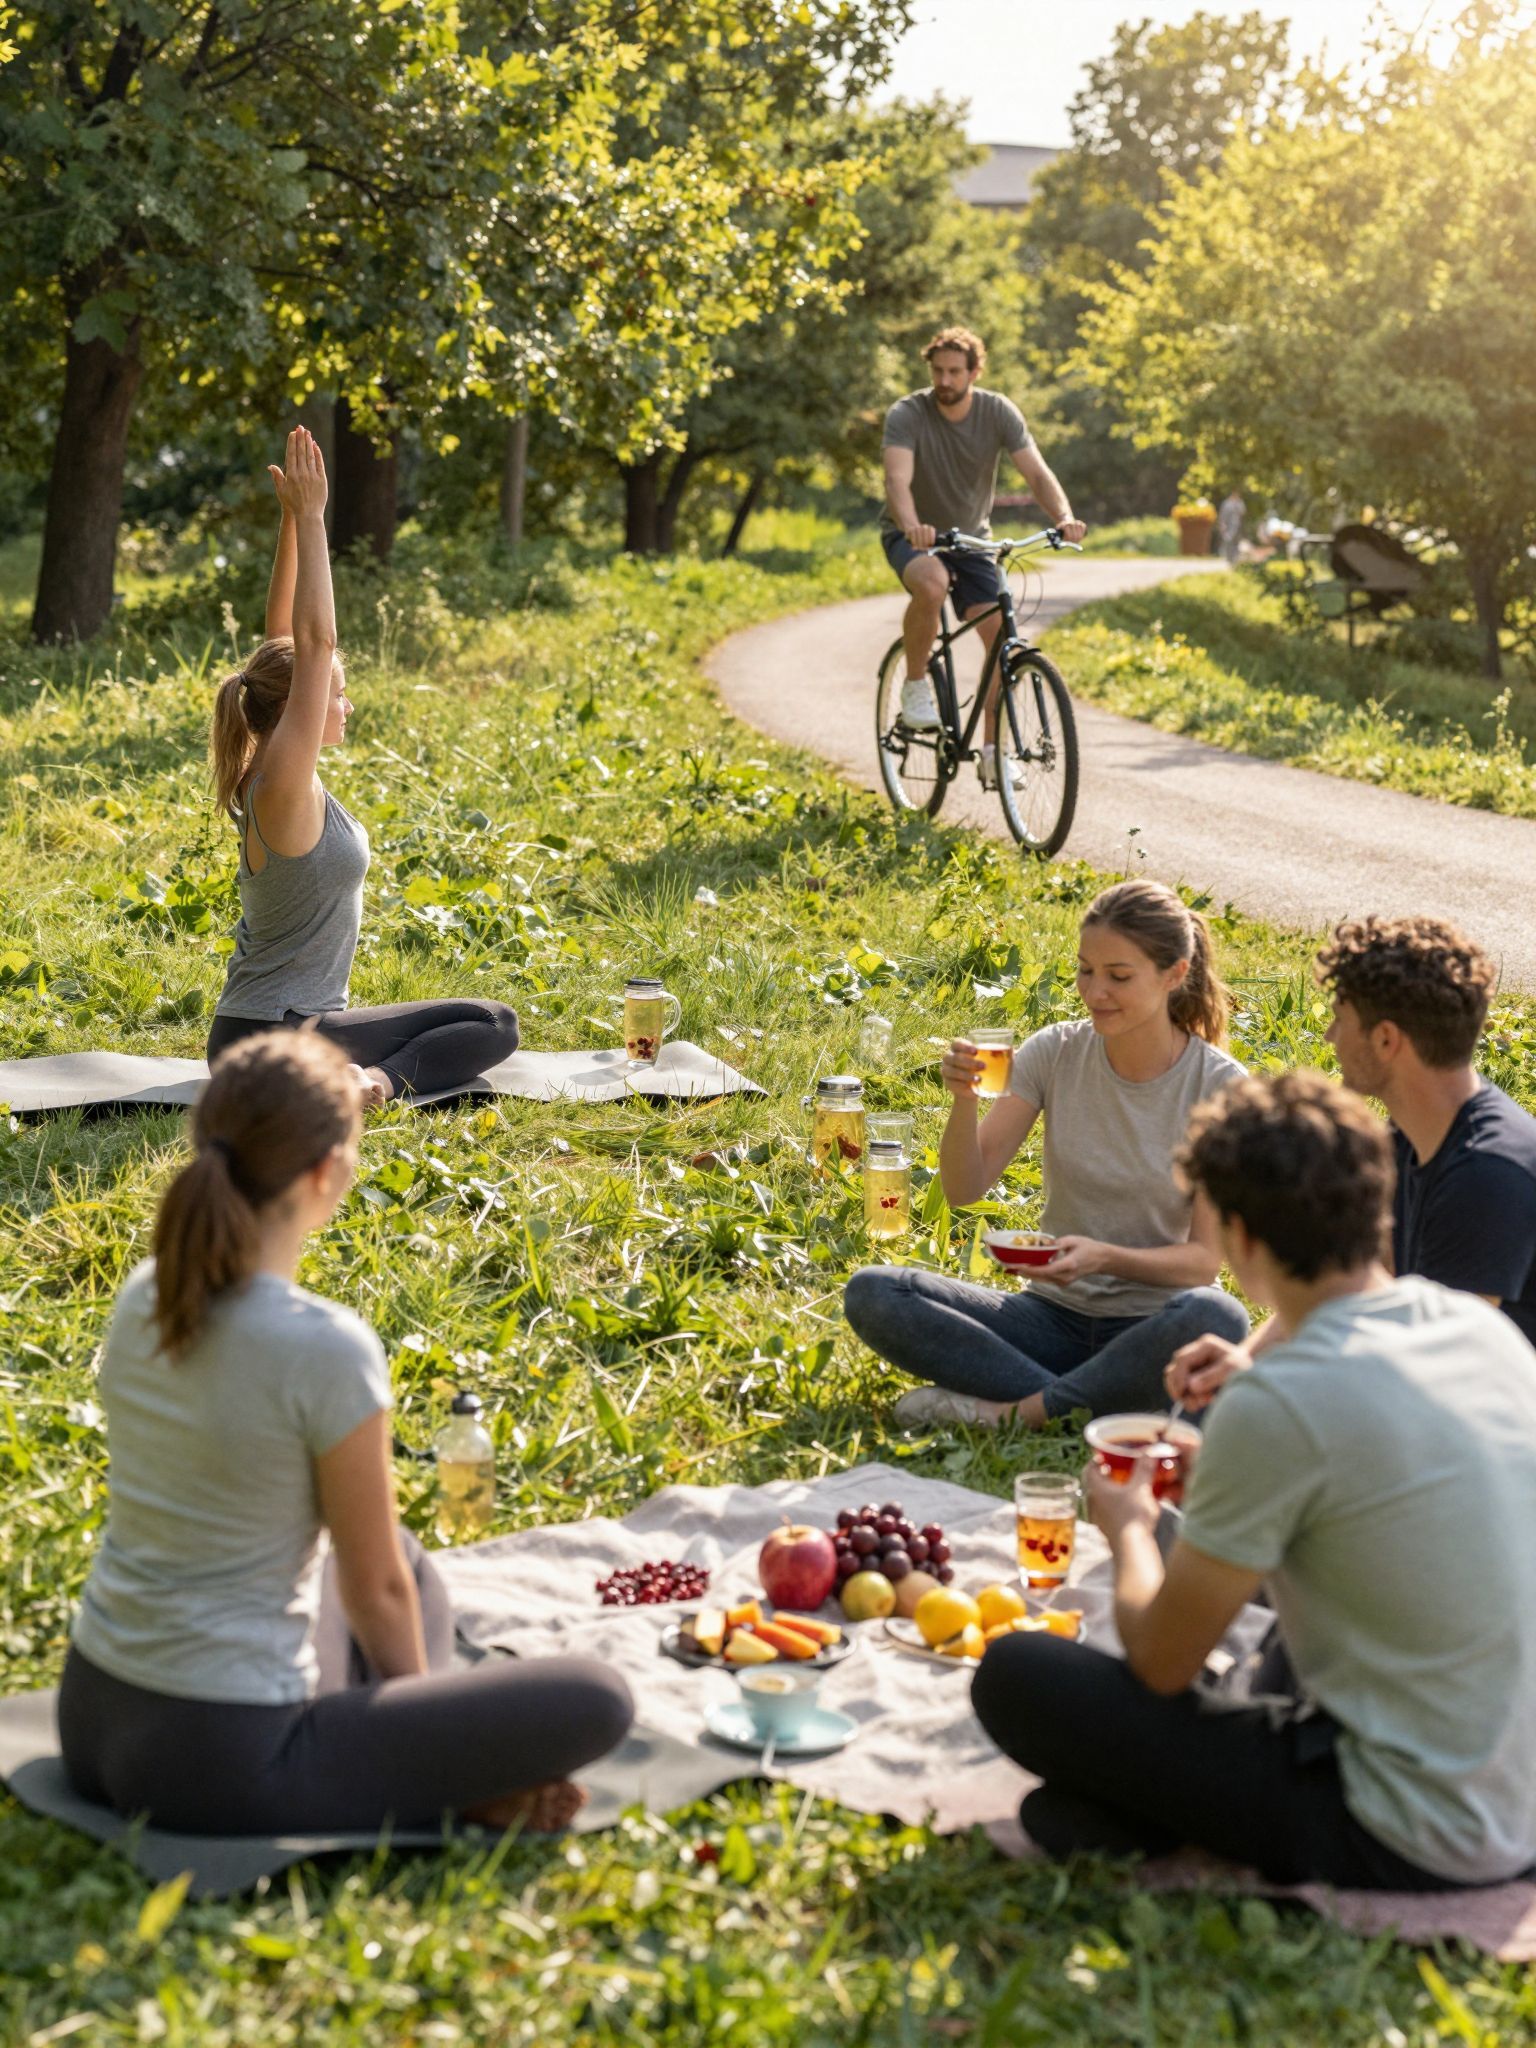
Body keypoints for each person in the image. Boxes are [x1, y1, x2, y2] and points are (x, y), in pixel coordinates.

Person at [58, 1032, 633, 1837]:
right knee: (597, 1698)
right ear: (329, 1172)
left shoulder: (148, 1293)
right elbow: (376, 1593)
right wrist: (435, 1738)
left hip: (91, 1718)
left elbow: (377, 1571)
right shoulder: (323, 1346)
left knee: (405, 1553)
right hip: (218, 1760)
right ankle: (444, 1782)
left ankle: (385, 1752)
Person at [973, 1069, 1536, 1889]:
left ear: (1236, 1235)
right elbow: (1378, 1505)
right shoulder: (1470, 1329)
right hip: (1516, 1778)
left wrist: (1127, 1526)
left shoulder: (1279, 1401)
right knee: (1099, 1788)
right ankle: (1130, 1813)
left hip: (1415, 1826)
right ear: (1377, 1202)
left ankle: (1148, 1815)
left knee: (1019, 1675)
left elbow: (1162, 1662)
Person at [844, 880, 1250, 1429]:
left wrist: (1103, 1256)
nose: (1095, 991)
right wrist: (963, 1102)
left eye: (1119, 976)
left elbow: (1203, 1262)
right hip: (1049, 1320)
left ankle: (1020, 1411)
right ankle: (1103, 1409)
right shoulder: (1054, 1052)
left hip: (1154, 1326)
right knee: (876, 1292)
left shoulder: (1220, 1088)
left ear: (1174, 974)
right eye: (1086, 970)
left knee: (1216, 1315)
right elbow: (965, 1189)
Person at [206, 426, 519, 1106]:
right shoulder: (281, 784)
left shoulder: (271, 766)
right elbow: (313, 644)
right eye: (335, 692)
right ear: (296, 709)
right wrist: (317, 518)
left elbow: (285, 643)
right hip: (274, 1035)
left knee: (479, 1023)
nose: (344, 703)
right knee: (494, 1024)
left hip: (261, 1032)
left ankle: (359, 1075)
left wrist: (291, 522)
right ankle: (372, 1085)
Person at [1170, 914, 1536, 1415]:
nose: (1328, 1035)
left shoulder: (1488, 1175)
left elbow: (1443, 1368)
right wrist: (1246, 1361)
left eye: (1340, 1018)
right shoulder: (1406, 1141)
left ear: (1386, 1040)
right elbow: (1350, 1285)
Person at [881, 327, 1086, 792]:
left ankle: (994, 752)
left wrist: (1064, 517)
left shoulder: (997, 412)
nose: (945, 380)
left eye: (955, 371)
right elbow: (897, 480)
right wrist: (913, 524)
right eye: (938, 371)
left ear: (975, 371)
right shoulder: (908, 414)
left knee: (1001, 640)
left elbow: (1035, 471)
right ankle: (916, 687)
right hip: (913, 534)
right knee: (931, 584)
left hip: (973, 541)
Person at [1216, 489, 1245, 566]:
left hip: (1238, 526)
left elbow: (1242, 513)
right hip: (1228, 526)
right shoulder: (1226, 503)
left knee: (1236, 542)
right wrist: (1222, 524)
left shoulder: (1240, 503)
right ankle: (1229, 558)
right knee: (1228, 540)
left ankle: (1235, 558)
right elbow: (1222, 515)